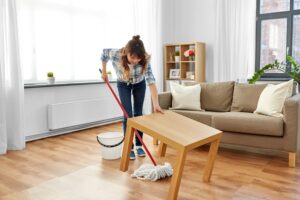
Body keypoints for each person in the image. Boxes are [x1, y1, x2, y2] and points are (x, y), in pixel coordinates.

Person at [101, 35, 163, 160]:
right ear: (126, 53)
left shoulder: (145, 59)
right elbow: (104, 54)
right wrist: (104, 71)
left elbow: (151, 82)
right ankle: (129, 147)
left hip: (139, 84)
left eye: (138, 58)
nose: (135, 61)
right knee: (128, 115)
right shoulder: (116, 54)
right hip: (123, 84)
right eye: (132, 57)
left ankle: (139, 145)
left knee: (138, 114)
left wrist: (156, 103)